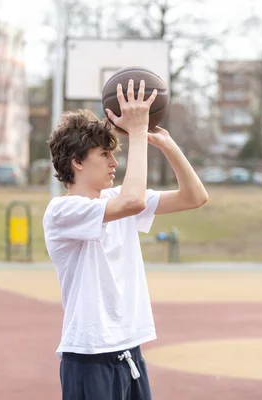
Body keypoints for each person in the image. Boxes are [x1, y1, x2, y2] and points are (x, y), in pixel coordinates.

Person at [42, 79, 209, 400]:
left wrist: (166, 144)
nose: (114, 162)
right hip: (90, 355)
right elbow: (132, 202)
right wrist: (134, 133)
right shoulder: (63, 211)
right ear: (77, 161)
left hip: (129, 348)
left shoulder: (118, 198)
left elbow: (195, 196)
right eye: (104, 154)